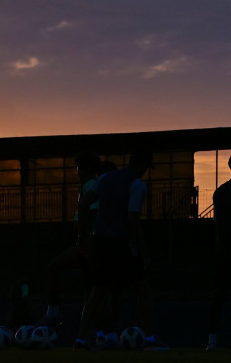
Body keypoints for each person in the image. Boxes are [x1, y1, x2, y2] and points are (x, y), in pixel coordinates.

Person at [75, 149, 167, 350]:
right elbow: (133, 221)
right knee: (142, 290)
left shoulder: (106, 179)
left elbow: (83, 204)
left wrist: (83, 237)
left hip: (100, 241)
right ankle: (150, 339)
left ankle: (80, 340)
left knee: (97, 292)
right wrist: (144, 255)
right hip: (123, 243)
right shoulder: (137, 185)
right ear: (142, 165)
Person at [37, 152, 102, 326]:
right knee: (91, 288)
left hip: (86, 243)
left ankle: (53, 313)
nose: (77, 172)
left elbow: (93, 213)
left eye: (78, 168)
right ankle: (98, 332)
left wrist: (84, 240)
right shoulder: (90, 186)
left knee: (54, 267)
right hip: (86, 242)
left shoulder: (92, 186)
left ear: (83, 169)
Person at [207, 155, 231, 351]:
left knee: (219, 297)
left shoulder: (221, 192)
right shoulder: (222, 192)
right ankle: (212, 340)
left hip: (224, 250)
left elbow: (218, 226)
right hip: (226, 250)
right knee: (219, 296)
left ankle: (212, 340)